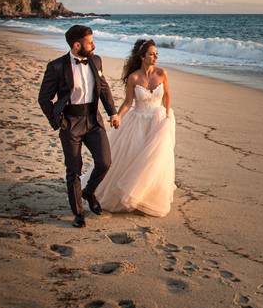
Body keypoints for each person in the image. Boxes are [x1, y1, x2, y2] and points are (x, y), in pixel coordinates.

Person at [38, 25, 120, 228]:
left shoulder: (96, 60)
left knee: (105, 162)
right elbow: (43, 98)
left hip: (93, 120)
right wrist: (57, 122)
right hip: (71, 123)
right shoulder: (56, 66)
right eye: (90, 42)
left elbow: (103, 88)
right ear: (77, 45)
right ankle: (78, 212)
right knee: (74, 169)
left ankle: (89, 192)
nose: (94, 45)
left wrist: (112, 112)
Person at [91, 39, 176, 217]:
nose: (155, 57)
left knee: (154, 161)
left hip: (158, 121)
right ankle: (131, 197)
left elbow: (167, 96)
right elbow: (128, 103)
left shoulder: (162, 73)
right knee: (135, 157)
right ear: (142, 56)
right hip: (137, 121)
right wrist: (118, 116)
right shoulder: (134, 77)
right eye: (151, 54)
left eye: (156, 54)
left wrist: (168, 115)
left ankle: (147, 197)